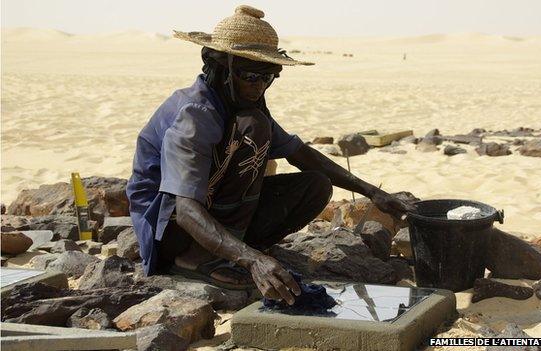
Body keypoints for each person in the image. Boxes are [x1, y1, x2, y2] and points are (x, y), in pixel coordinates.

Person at [126, 5, 415, 305]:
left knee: (314, 185)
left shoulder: (243, 105)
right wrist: (252, 261)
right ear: (221, 67)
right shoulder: (195, 114)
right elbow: (185, 209)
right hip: (169, 229)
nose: (259, 86)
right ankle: (195, 260)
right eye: (250, 75)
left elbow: (299, 153)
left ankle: (230, 249)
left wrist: (371, 191)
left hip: (209, 210)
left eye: (269, 77)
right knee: (253, 129)